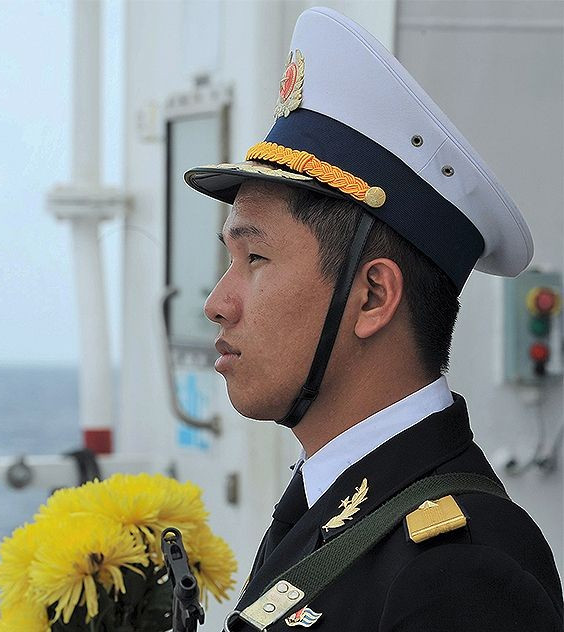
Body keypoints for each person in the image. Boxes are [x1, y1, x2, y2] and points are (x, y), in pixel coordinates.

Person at [183, 8, 563, 630]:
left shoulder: (457, 574)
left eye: (256, 258)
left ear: (373, 297)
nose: (218, 302)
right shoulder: (330, 505)